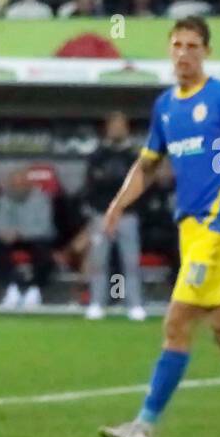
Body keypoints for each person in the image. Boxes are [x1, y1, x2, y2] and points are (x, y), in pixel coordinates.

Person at [98, 16, 220, 437]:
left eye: (192, 45)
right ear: (169, 50)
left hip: (219, 226)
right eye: (177, 45)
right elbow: (147, 165)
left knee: (177, 322)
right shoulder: (166, 106)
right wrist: (117, 203)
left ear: (206, 51)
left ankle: (143, 425)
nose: (184, 53)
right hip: (192, 230)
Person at [81, 111, 146, 320]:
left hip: (128, 214)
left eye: (121, 125)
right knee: (99, 261)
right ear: (107, 128)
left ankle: (134, 304)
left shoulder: (134, 154)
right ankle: (97, 303)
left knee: (131, 262)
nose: (117, 129)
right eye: (114, 125)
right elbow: (94, 184)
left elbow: (137, 184)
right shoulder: (97, 155)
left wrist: (112, 182)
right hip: (102, 214)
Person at [0, 168, 56, 310]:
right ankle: (11, 288)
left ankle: (34, 289)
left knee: (43, 252)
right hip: (12, 239)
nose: (18, 187)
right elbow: (0, 226)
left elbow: (45, 228)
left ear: (29, 184)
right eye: (15, 184)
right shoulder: (3, 199)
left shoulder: (41, 198)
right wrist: (6, 234)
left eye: (22, 183)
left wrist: (21, 233)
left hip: (36, 238)